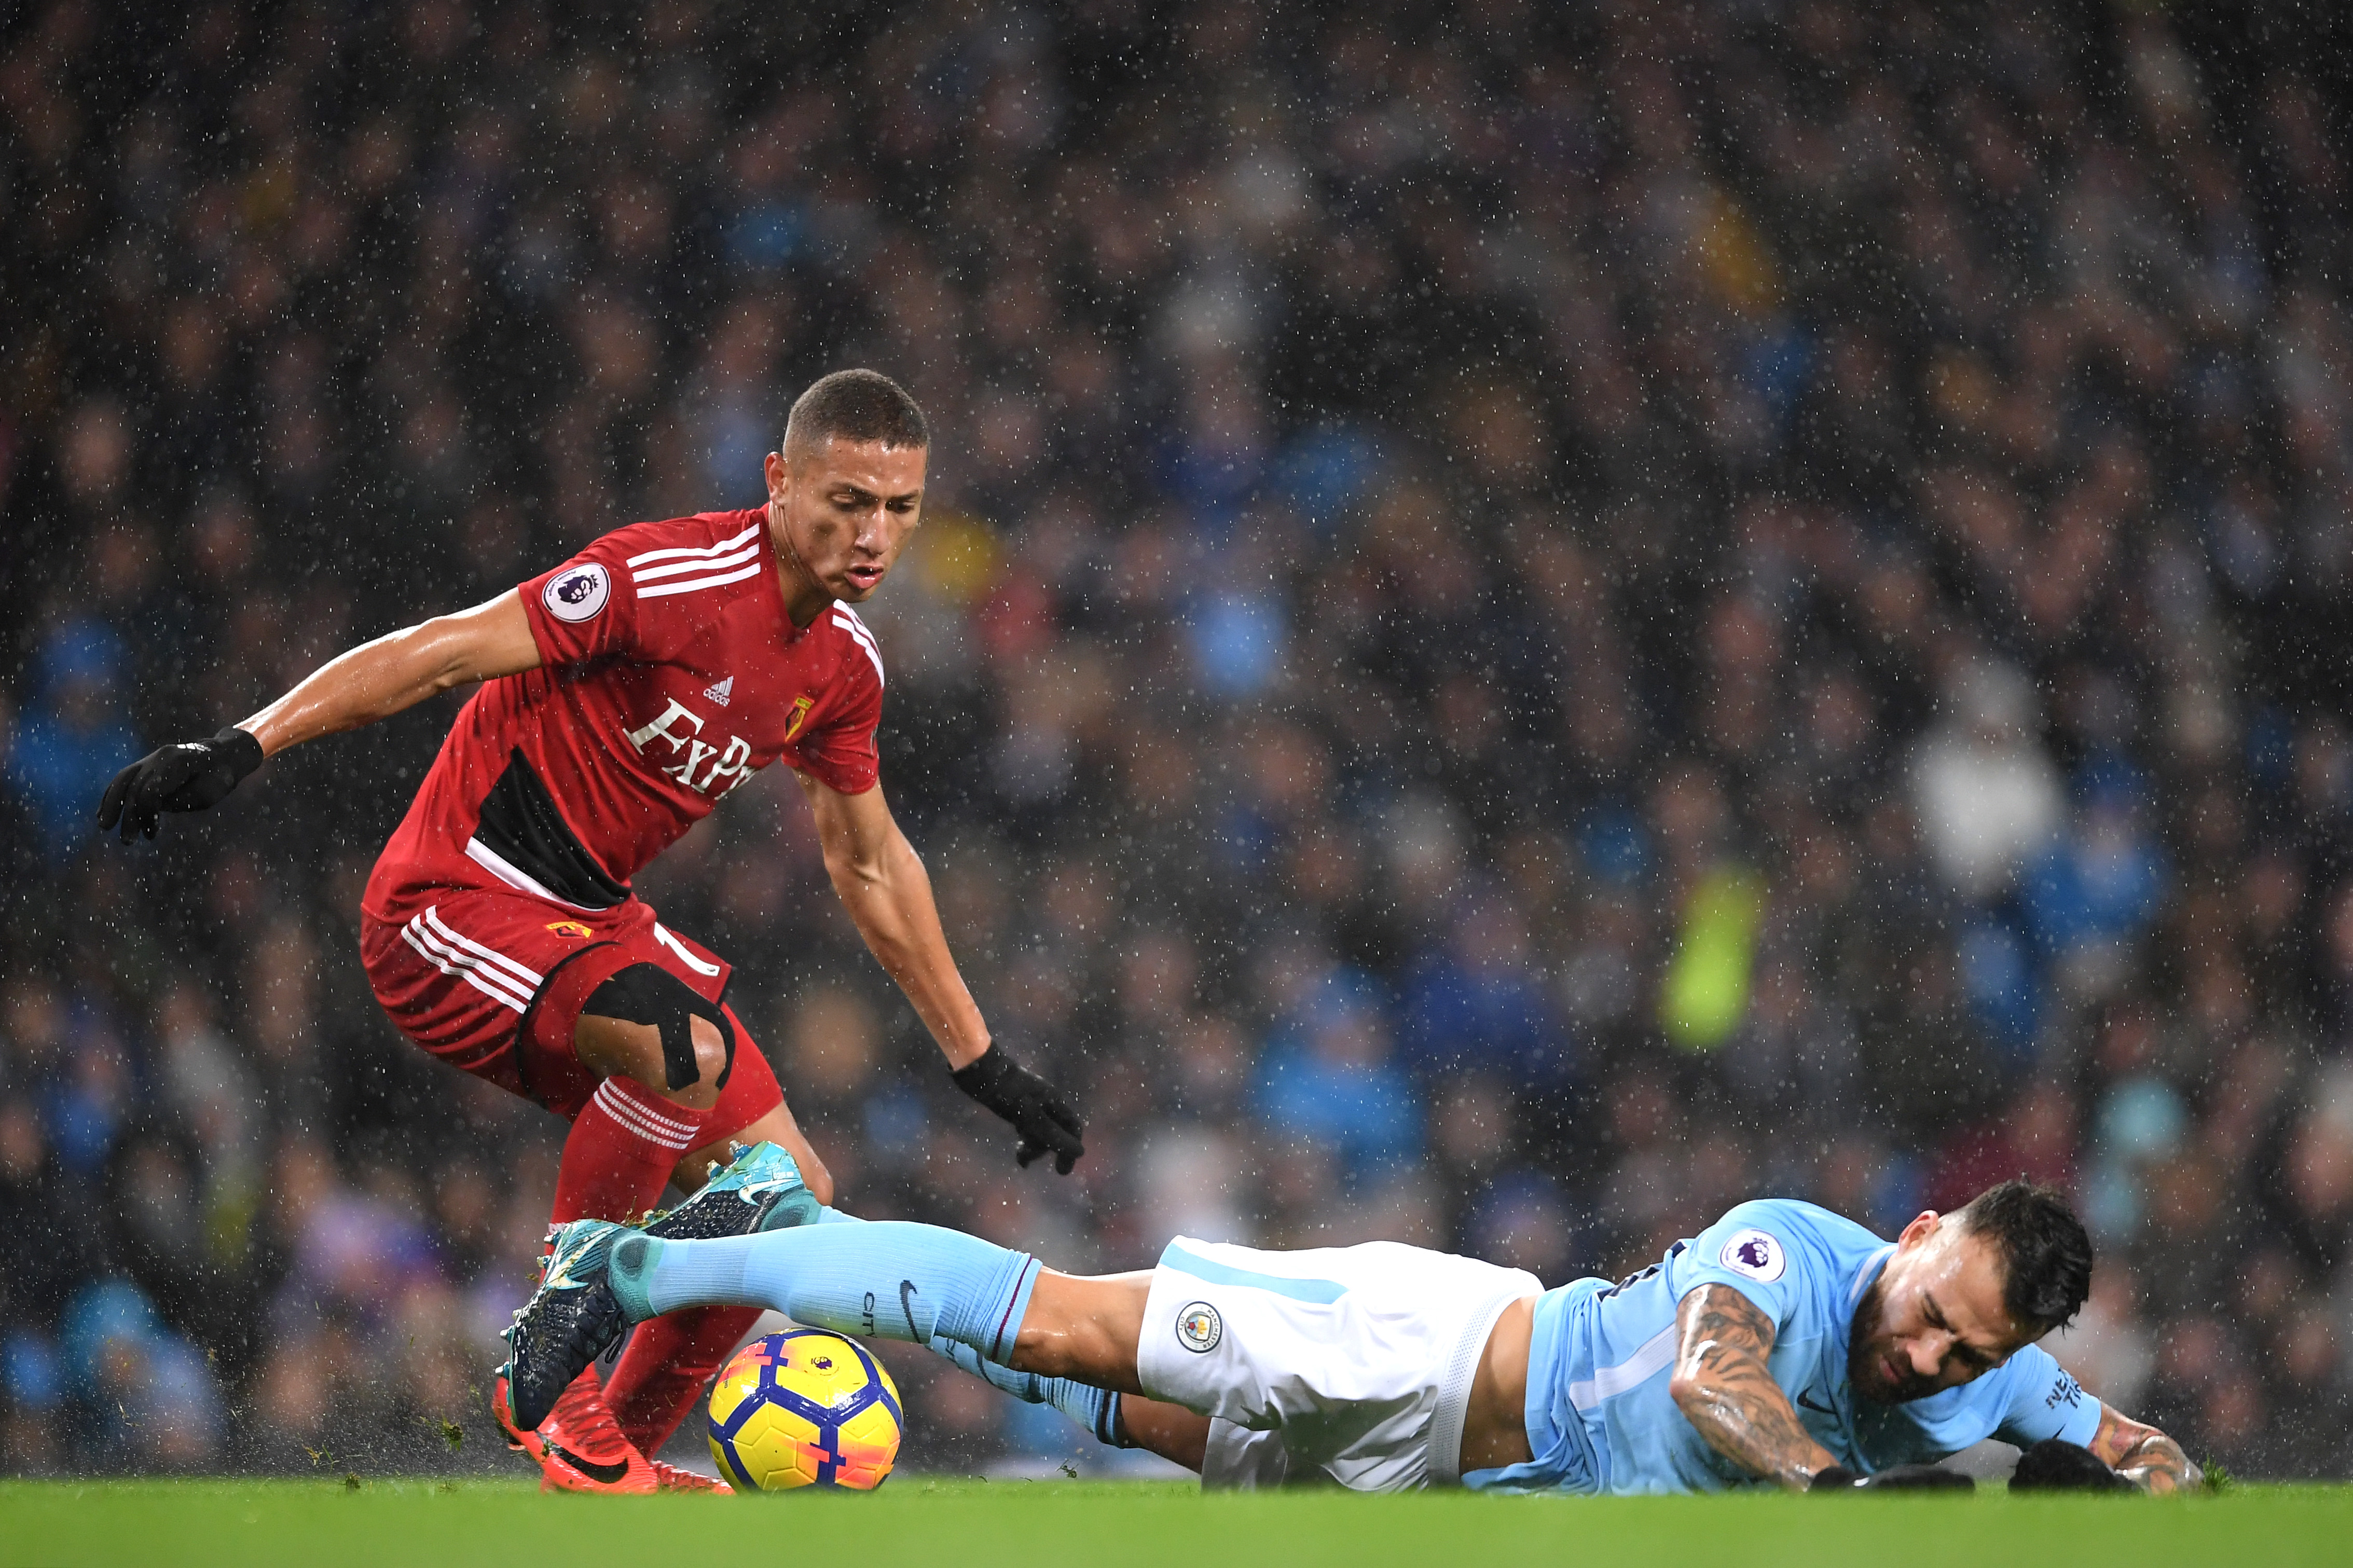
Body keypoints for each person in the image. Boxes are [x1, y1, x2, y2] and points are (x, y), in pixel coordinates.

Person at [94, 370, 1085, 1493]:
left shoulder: (844, 666)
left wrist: (980, 1058)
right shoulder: (664, 577)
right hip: (450, 900)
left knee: (786, 1187)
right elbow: (444, 648)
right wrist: (243, 743)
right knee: (683, 1052)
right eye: (847, 499)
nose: (873, 534)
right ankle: (556, 1354)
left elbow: (869, 859)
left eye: (900, 508)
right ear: (778, 480)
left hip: (590, 922)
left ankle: (606, 1448)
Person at [502, 1151, 2198, 1495]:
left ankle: (788, 1226)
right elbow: (1712, 1384)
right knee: (1065, 1331)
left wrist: (2141, 1471)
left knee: (1095, 1410)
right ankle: (653, 1261)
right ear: (1910, 1242)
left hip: (1431, 1504)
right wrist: (1832, 1504)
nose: (1919, 1356)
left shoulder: (1998, 1388)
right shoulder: (1787, 1253)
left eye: (1958, 1356)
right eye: (1922, 1315)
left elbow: (2140, 1461)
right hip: (1433, 1358)